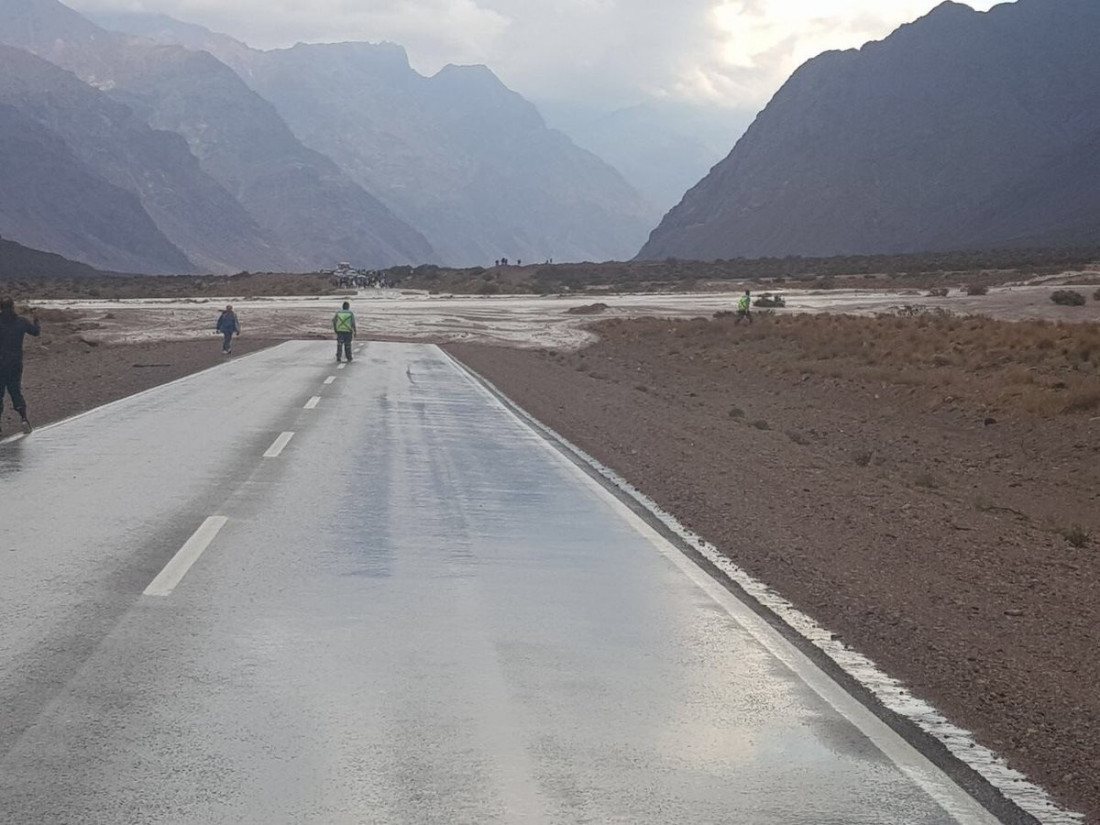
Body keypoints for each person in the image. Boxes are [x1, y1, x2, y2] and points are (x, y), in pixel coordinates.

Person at [0, 296, 41, 434]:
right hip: (15, 363)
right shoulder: (21, 322)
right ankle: (24, 419)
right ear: (12, 307)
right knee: (15, 392)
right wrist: (36, 318)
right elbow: (36, 332)